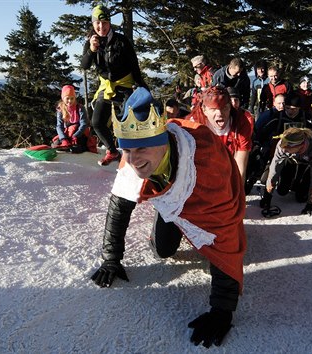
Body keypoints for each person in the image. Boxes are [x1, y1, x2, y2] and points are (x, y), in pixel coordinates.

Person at [90, 87, 246, 348]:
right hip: (173, 195)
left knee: (215, 249)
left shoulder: (206, 161)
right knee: (163, 250)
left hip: (215, 190)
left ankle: (181, 216)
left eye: (141, 148)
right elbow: (119, 205)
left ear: (161, 142)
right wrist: (111, 258)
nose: (133, 159)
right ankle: (172, 213)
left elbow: (225, 230)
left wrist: (222, 309)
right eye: (126, 150)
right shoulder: (131, 159)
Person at [80, 5, 147, 166]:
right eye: (97, 23)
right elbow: (84, 65)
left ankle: (135, 155)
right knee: (97, 123)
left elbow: (134, 65)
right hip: (106, 87)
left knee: (128, 121)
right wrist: (91, 50)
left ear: (109, 23)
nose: (101, 27)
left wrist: (141, 86)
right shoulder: (91, 43)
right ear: (93, 24)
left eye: (104, 23)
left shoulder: (121, 41)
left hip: (125, 85)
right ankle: (112, 151)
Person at [188, 86, 253, 182]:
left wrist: (238, 194)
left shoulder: (241, 123)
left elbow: (240, 167)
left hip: (229, 164)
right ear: (204, 109)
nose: (219, 113)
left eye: (224, 108)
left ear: (230, 107)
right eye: (213, 109)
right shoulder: (193, 125)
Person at [259, 127, 312, 216]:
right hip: (291, 161)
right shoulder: (282, 145)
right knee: (282, 191)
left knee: (301, 197)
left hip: (309, 165)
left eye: (287, 148)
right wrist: (267, 195)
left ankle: (299, 183)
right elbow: (274, 169)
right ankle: (291, 180)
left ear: (300, 145)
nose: (284, 149)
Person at [51, 85, 96, 153]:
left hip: (80, 133)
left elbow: (84, 124)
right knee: (56, 144)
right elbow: (59, 126)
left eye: (72, 98)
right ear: (63, 98)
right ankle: (67, 145)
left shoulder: (80, 108)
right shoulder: (60, 110)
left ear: (75, 98)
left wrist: (76, 135)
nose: (70, 101)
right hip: (68, 133)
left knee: (78, 145)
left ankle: (78, 147)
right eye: (67, 98)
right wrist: (63, 139)